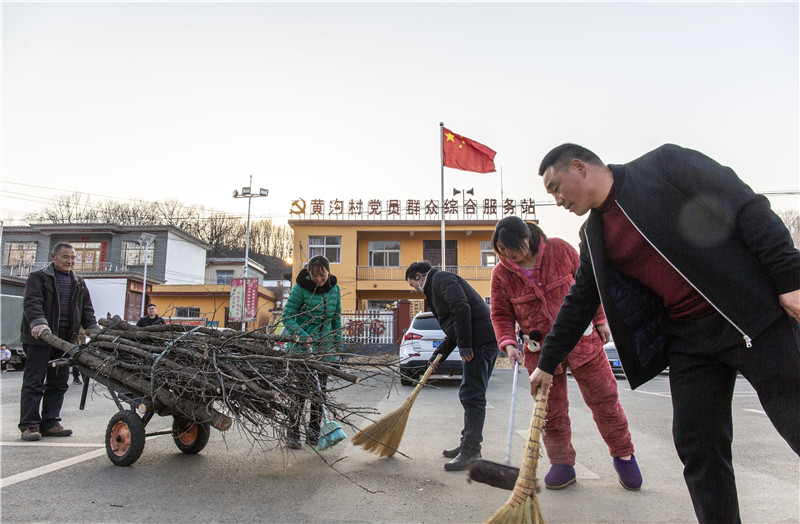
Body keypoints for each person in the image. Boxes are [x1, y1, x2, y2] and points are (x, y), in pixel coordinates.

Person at [530, 143, 800, 523]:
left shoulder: (663, 166)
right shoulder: (593, 236)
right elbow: (579, 302)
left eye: (556, 187)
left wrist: (789, 277)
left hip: (748, 317)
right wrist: (548, 361)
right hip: (689, 341)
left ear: (579, 167)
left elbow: (743, 204)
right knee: (697, 447)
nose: (556, 199)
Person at [490, 216, 642, 490]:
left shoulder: (560, 250)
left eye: (512, 248)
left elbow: (589, 285)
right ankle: (562, 463)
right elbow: (500, 314)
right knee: (549, 410)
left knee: (605, 399)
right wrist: (509, 343)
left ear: (528, 238)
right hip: (539, 350)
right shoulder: (501, 274)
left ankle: (624, 454)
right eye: (501, 250)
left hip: (582, 340)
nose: (507, 255)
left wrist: (600, 320)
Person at [405, 260, 499, 471]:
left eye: (413, 284)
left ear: (420, 276)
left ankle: (472, 450)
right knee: (471, 394)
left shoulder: (442, 280)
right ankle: (468, 444)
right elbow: (454, 328)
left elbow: (461, 308)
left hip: (480, 342)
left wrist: (465, 345)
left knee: (472, 395)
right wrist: (440, 354)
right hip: (480, 340)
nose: (416, 290)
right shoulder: (438, 285)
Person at [19, 242, 101, 441]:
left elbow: (87, 310)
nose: (70, 261)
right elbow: (32, 303)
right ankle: (29, 425)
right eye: (65, 256)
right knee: (34, 382)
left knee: (58, 383)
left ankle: (51, 422)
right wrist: (39, 323)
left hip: (66, 340)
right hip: (41, 337)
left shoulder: (79, 282)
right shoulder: (38, 278)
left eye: (73, 257)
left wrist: (94, 330)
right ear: (54, 256)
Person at [281, 255, 343, 449]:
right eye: (314, 275)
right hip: (302, 349)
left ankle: (314, 433)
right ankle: (292, 432)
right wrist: (302, 334)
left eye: (322, 274)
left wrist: (337, 348)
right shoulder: (300, 289)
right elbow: (287, 316)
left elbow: (335, 319)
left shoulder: (335, 289)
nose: (319, 279)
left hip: (324, 349)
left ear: (328, 271)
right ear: (309, 274)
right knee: (300, 392)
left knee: (319, 394)